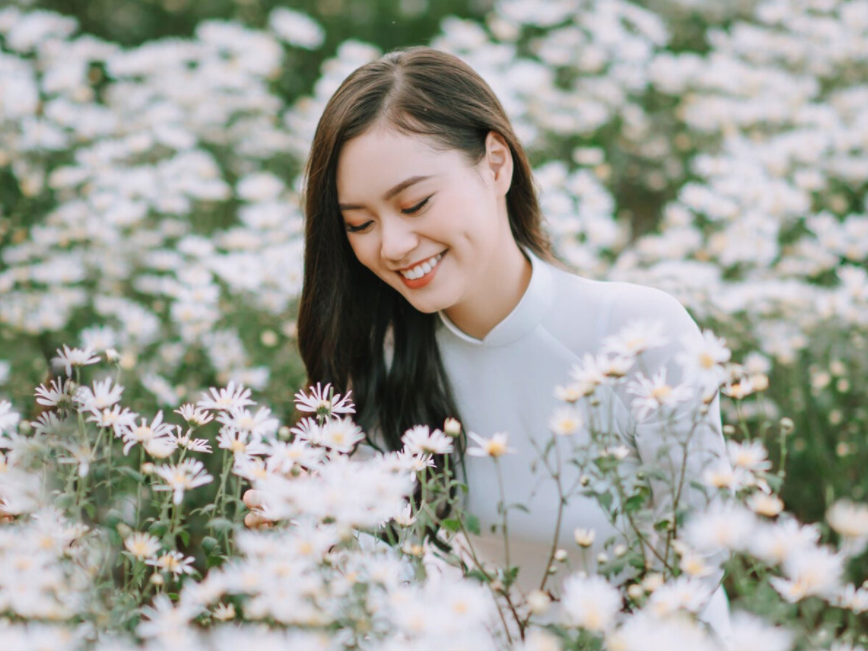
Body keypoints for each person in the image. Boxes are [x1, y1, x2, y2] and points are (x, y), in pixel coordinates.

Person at [243, 46, 732, 641]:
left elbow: (697, 565)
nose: (392, 244)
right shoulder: (383, 368)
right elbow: (398, 595)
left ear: (495, 164)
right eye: (360, 224)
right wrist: (317, 532)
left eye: (415, 203)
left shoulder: (637, 334)